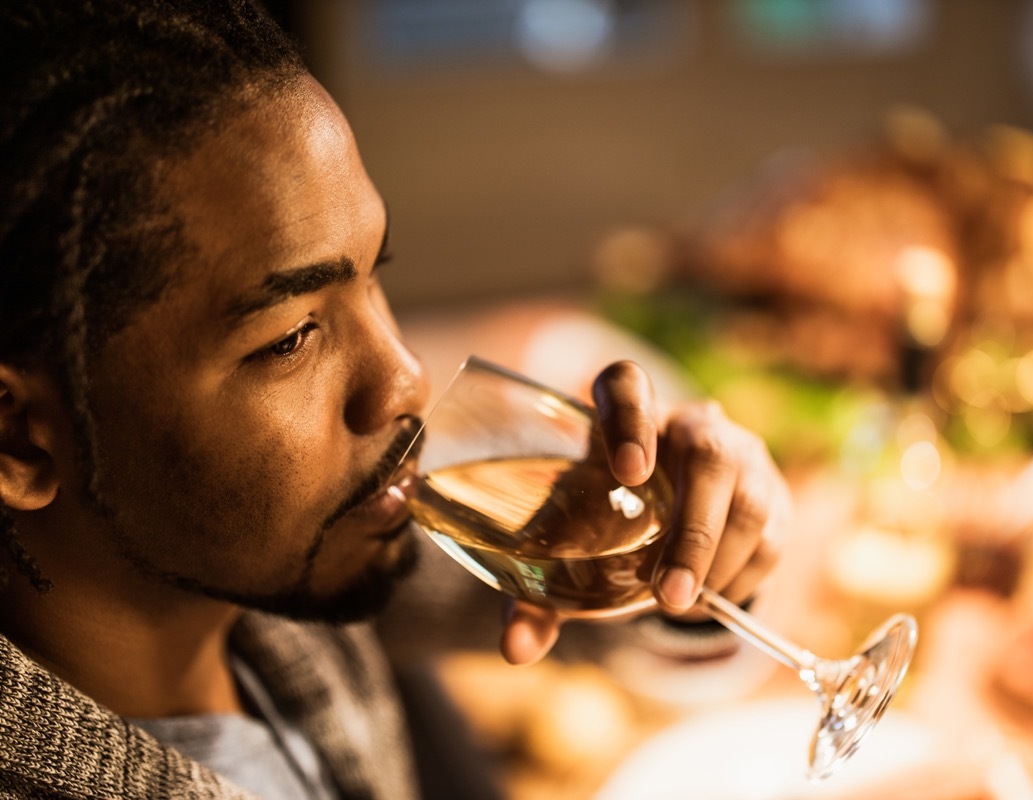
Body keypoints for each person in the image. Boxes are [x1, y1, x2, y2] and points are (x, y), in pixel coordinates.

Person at [0, 2, 791, 798]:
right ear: (20, 439)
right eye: (290, 338)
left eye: (374, 273)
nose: (407, 378)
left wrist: (681, 566)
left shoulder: (259, 575)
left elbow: (481, 586)